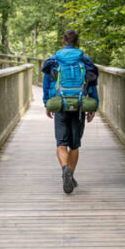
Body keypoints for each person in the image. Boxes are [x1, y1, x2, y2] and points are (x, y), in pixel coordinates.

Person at [42, 29, 98, 194]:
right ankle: (70, 173)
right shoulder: (84, 60)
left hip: (60, 104)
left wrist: (47, 103)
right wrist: (93, 106)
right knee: (74, 145)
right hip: (80, 105)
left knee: (61, 144)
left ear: (63, 41)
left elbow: (47, 83)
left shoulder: (54, 60)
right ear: (77, 42)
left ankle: (65, 169)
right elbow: (92, 83)